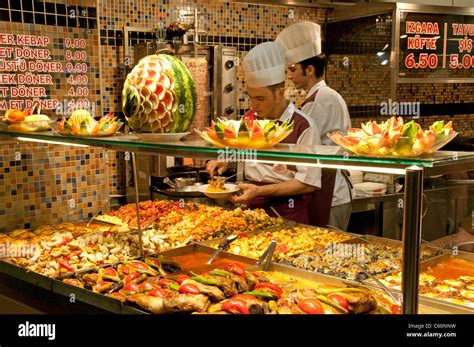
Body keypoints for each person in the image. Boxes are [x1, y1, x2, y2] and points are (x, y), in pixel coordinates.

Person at [206, 42, 322, 224]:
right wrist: (225, 158)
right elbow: (240, 149)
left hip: (288, 213)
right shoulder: (249, 119)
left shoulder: (303, 126)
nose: (254, 105)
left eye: (260, 98)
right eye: (251, 97)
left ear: (280, 93)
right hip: (252, 209)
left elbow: (307, 183)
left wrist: (260, 191)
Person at [276, 21, 353, 231]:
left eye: (293, 69)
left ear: (309, 69)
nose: (289, 75)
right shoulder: (322, 96)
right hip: (329, 188)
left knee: (329, 253)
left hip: (331, 193)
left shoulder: (321, 100)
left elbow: (302, 144)